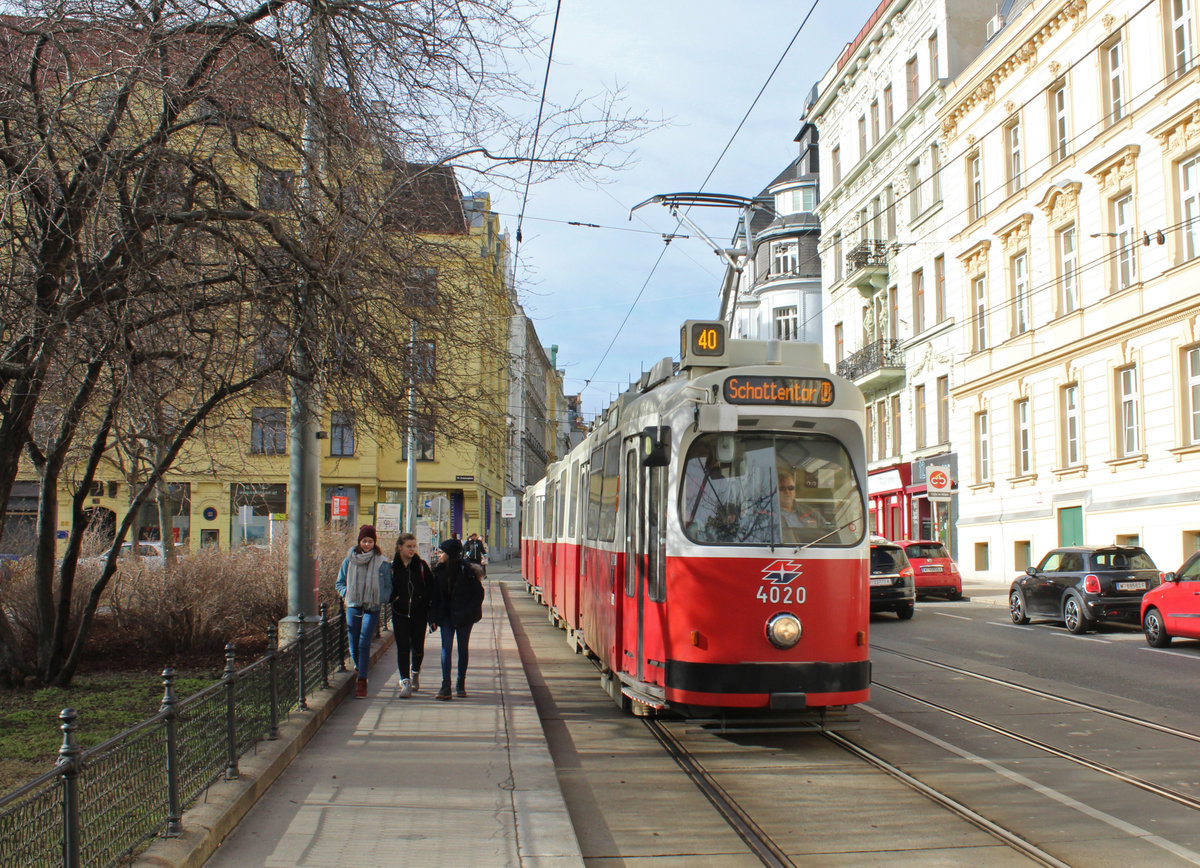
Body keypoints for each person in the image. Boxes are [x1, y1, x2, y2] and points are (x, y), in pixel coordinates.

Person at [336, 525, 392, 699]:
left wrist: (381, 597)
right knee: (353, 641)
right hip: (353, 604)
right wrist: (347, 594)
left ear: (374, 543)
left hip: (372, 606)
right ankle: (360, 667)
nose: (367, 544)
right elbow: (339, 583)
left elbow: (389, 586)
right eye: (364, 541)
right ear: (359, 542)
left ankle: (362, 680)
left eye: (370, 541)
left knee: (364, 641)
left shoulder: (382, 561)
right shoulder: (349, 560)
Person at [427, 537, 485, 700]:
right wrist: (432, 617)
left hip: (464, 617)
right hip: (446, 616)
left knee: (462, 649)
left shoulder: (467, 571)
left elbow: (478, 594)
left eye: (441, 552)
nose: (438, 555)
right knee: (446, 648)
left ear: (449, 554)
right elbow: (434, 598)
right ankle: (446, 685)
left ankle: (460, 683)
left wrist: (469, 612)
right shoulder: (438, 572)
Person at [390, 532, 431, 697]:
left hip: (419, 613)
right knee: (403, 648)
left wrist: (423, 600)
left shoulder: (421, 566)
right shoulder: (393, 567)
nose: (412, 549)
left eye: (414, 546)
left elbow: (430, 586)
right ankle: (405, 681)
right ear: (400, 547)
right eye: (409, 546)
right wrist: (394, 598)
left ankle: (415, 672)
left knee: (418, 647)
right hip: (400, 613)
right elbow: (386, 587)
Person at [778, 470, 824, 544]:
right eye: (782, 489)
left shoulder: (812, 513)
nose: (787, 492)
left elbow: (828, 538)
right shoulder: (766, 515)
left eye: (790, 488)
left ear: (795, 491)